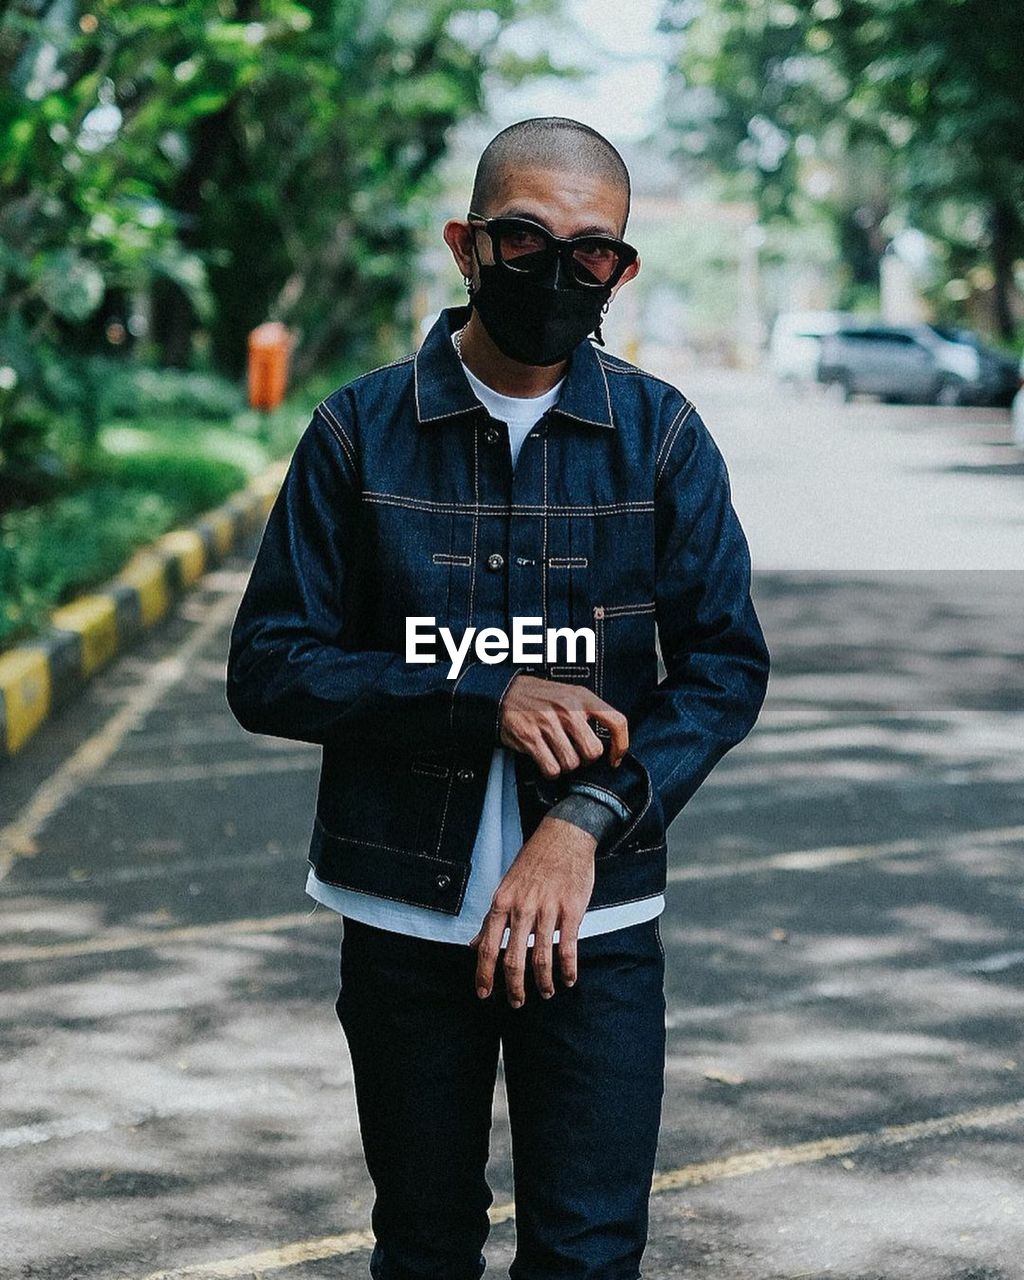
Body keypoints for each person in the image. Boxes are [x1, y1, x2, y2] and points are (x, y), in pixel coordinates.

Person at [225, 116, 770, 1280]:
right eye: (525, 238)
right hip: (405, 921)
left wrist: (585, 819)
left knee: (586, 1252)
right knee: (422, 1246)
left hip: (598, 927)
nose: (561, 273)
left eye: (595, 253)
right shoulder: (357, 431)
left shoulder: (661, 436)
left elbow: (723, 668)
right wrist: (481, 694)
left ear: (622, 269)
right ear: (466, 242)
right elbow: (269, 662)